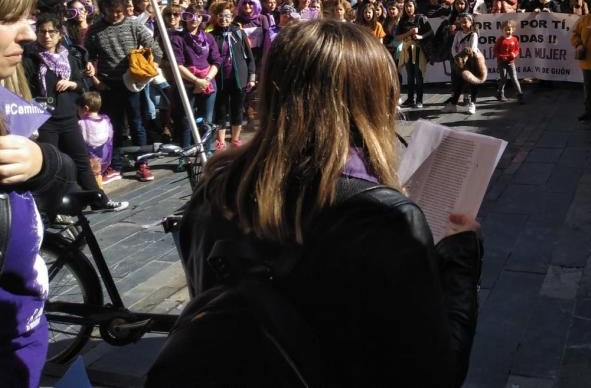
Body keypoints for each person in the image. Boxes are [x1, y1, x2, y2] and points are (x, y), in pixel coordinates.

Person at [149, 20, 482, 386]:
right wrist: (460, 260)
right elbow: (436, 373)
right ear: (372, 102)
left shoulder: (216, 189)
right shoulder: (382, 218)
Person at [0, 0, 74, 387]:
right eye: (7, 19)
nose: (29, 34)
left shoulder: (3, 94)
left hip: (23, 339)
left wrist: (40, 162)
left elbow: (60, 177)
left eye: (29, 18)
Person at [24, 13, 127, 211]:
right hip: (45, 120)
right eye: (42, 32)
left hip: (68, 117)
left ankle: (100, 201)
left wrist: (72, 83)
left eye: (51, 32)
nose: (46, 36)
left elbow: (82, 85)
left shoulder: (68, 57)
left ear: (59, 34)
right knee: (50, 166)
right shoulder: (31, 59)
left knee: (81, 161)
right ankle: (51, 209)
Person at [86, 0, 163, 170]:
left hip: (133, 84)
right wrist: (96, 80)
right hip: (108, 85)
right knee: (114, 125)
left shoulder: (133, 25)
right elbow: (87, 57)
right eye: (111, 11)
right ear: (104, 9)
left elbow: (156, 50)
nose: (115, 15)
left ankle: (142, 162)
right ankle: (116, 163)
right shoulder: (95, 30)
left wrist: (149, 70)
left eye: (119, 11)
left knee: (137, 124)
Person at [170, 10, 220, 159]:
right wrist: (196, 81)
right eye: (190, 15)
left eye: (198, 16)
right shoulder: (176, 39)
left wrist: (206, 79)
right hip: (187, 83)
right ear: (184, 18)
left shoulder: (209, 38)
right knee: (186, 120)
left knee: (207, 120)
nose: (194, 19)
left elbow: (216, 61)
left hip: (208, 82)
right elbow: (177, 64)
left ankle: (207, 151)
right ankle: (185, 154)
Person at [211, 6, 256, 152]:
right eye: (220, 16)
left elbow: (250, 57)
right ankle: (221, 141)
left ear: (231, 18)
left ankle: (236, 139)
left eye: (227, 16)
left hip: (239, 77)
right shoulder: (211, 35)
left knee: (237, 109)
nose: (223, 19)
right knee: (221, 110)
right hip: (220, 78)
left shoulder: (239, 33)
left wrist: (252, 77)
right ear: (216, 17)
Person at [395, 0, 433, 109]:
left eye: (410, 6)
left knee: (418, 75)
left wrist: (421, 36)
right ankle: (410, 98)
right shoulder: (402, 21)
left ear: (414, 7)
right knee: (410, 76)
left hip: (418, 50)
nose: (408, 8)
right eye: (406, 6)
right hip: (407, 50)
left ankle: (419, 100)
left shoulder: (421, 18)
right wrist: (409, 33)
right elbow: (398, 36)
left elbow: (430, 31)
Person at [442, 13, 482, 115]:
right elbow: (453, 48)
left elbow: (472, 49)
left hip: (471, 62)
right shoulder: (458, 34)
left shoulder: (473, 34)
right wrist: (457, 58)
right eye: (461, 22)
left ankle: (472, 104)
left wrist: (464, 59)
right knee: (459, 84)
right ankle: (453, 105)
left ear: (471, 22)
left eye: (465, 22)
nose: (463, 24)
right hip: (459, 63)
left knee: (473, 83)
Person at [78, 90, 117, 186]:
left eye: (78, 109)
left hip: (89, 156)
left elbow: (80, 141)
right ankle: (99, 189)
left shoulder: (82, 123)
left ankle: (97, 193)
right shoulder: (106, 119)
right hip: (104, 154)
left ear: (85, 108)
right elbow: (110, 136)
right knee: (98, 175)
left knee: (91, 178)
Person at [494, 20, 524, 103]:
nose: (508, 31)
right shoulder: (500, 39)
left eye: (509, 29)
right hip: (501, 62)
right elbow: (495, 50)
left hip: (511, 62)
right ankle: (500, 93)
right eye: (506, 29)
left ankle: (520, 95)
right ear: (502, 30)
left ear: (513, 29)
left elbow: (517, 49)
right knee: (503, 79)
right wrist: (500, 56)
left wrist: (514, 54)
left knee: (514, 78)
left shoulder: (514, 39)